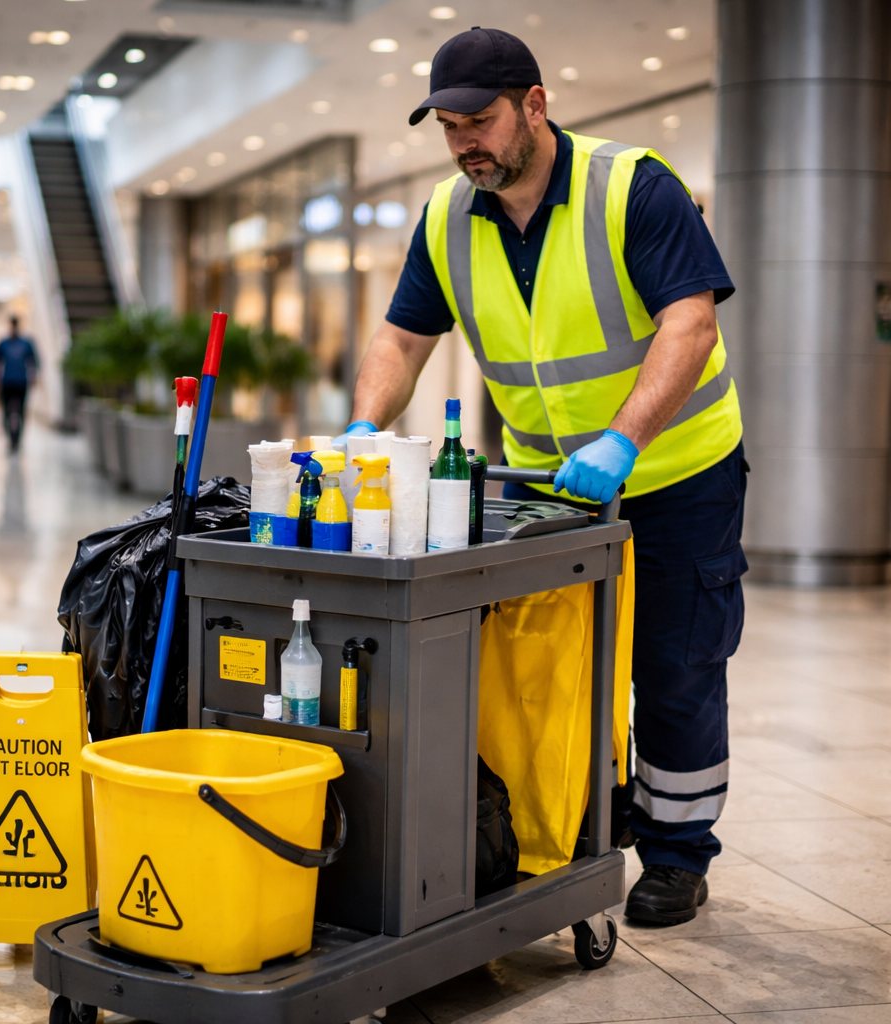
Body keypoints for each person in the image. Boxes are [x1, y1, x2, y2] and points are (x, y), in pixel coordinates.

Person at [344, 27, 746, 925]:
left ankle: (678, 853)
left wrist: (624, 440)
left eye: (477, 120)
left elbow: (691, 327)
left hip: (677, 470)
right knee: (560, 668)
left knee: (674, 665)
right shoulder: (448, 217)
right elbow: (404, 337)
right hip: (546, 487)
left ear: (535, 104)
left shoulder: (632, 187)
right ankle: (577, 825)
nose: (463, 144)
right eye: (446, 127)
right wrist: (363, 426)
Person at [0, 316, 38, 452]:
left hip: (21, 382)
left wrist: (34, 375)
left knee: (21, 412)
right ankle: (10, 438)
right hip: (6, 382)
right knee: (6, 412)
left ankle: (18, 439)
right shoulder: (3, 343)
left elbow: (34, 360)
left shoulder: (26, 343)